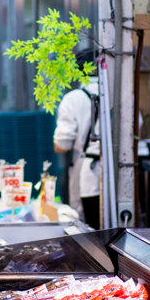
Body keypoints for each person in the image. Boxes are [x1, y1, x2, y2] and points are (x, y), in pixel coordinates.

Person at [53, 52, 102, 229]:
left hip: (88, 179)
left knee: (90, 233)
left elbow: (62, 145)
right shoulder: (121, 95)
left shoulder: (73, 99)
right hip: (120, 176)